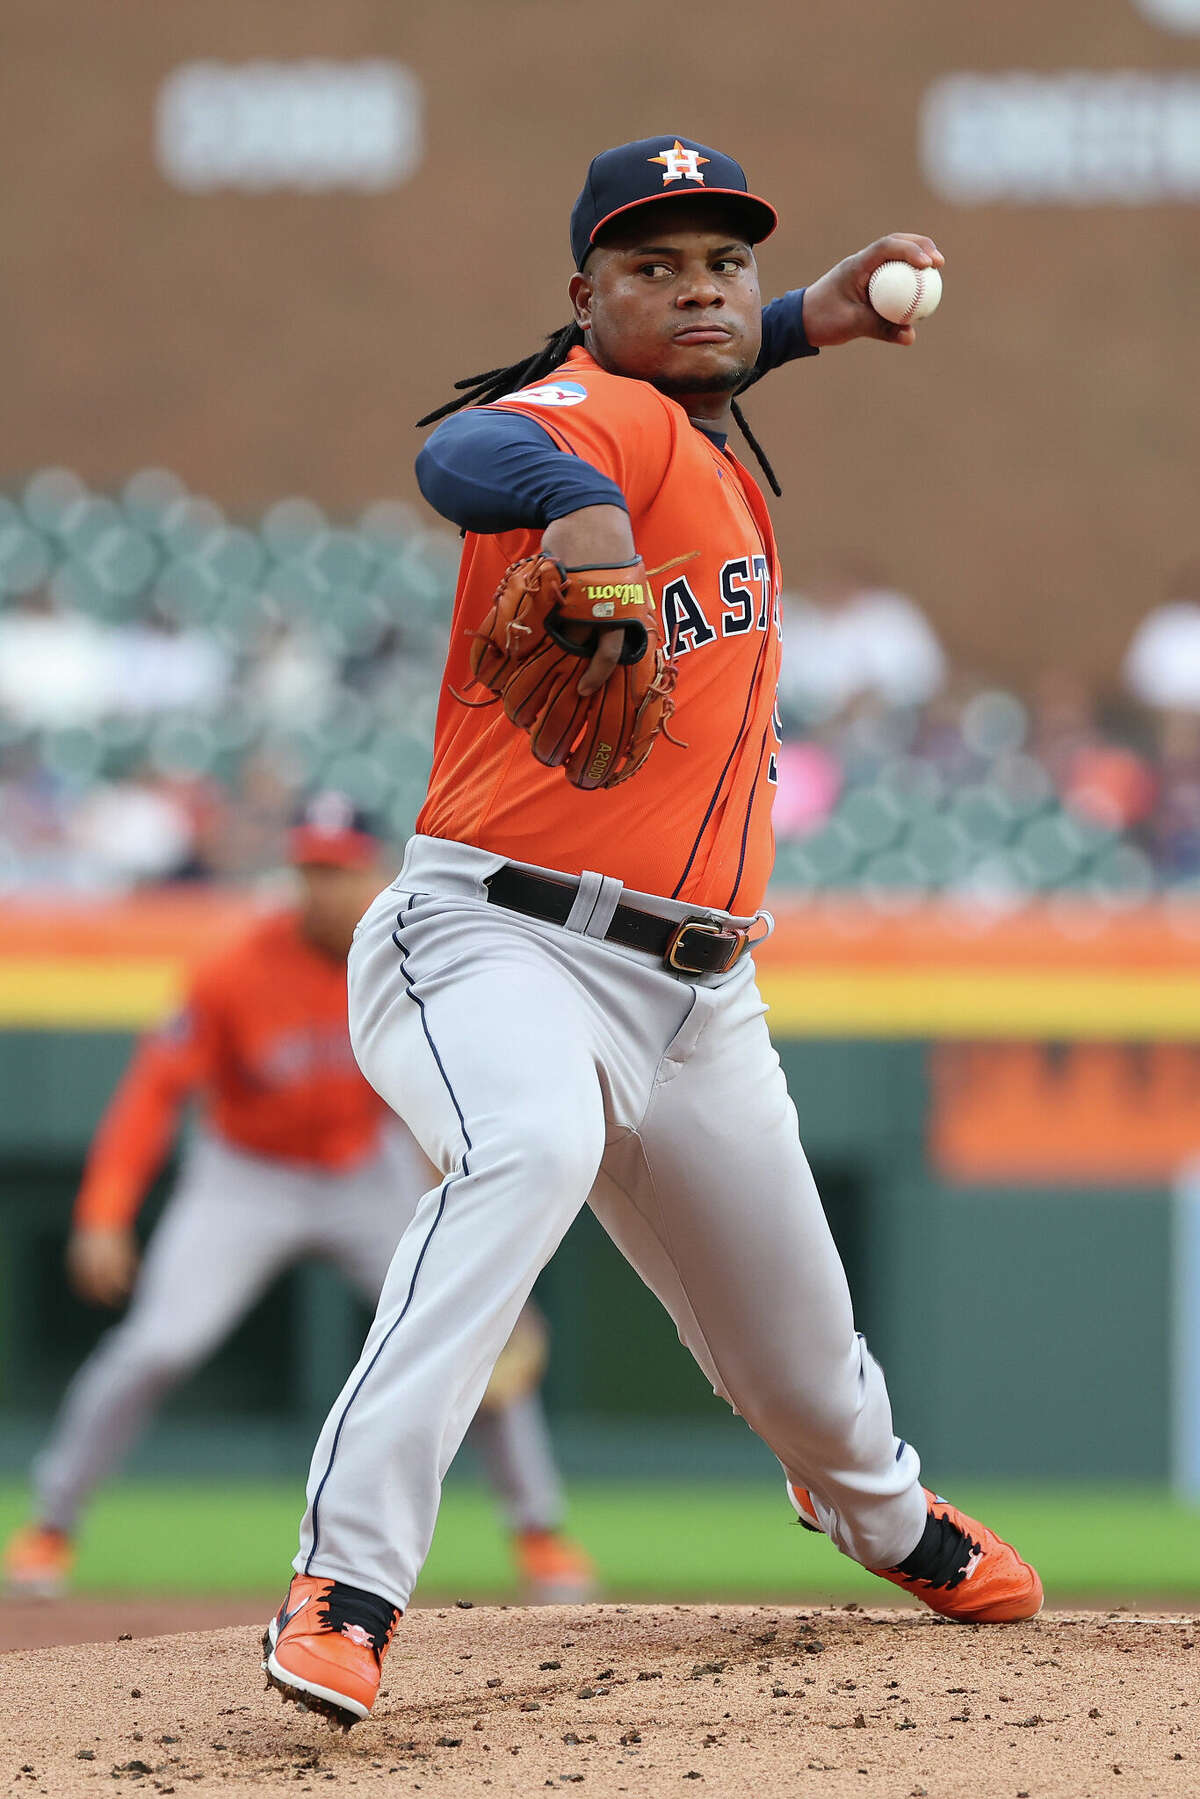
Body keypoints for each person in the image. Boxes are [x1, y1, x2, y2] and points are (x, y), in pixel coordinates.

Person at [263, 135, 1042, 1729]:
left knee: (813, 1368)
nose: (698, 290)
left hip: (699, 991)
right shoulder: (578, 418)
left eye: (724, 265)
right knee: (527, 1148)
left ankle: (878, 1514)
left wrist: (810, 319)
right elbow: (472, 450)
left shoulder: (691, 414)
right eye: (650, 266)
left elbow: (691, 363)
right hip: (495, 941)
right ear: (582, 298)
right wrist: (583, 521)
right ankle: (347, 1579)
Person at [2, 793, 593, 1606]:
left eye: (338, 869)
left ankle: (541, 1532)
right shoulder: (234, 969)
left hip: (366, 1171)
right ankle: (51, 1523)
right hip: (246, 1176)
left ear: (376, 872)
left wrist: (475, 1228)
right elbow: (151, 1092)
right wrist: (104, 1211)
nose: (320, 886)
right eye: (309, 868)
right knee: (159, 1344)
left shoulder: (415, 956)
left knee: (472, 1332)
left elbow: (449, 1099)